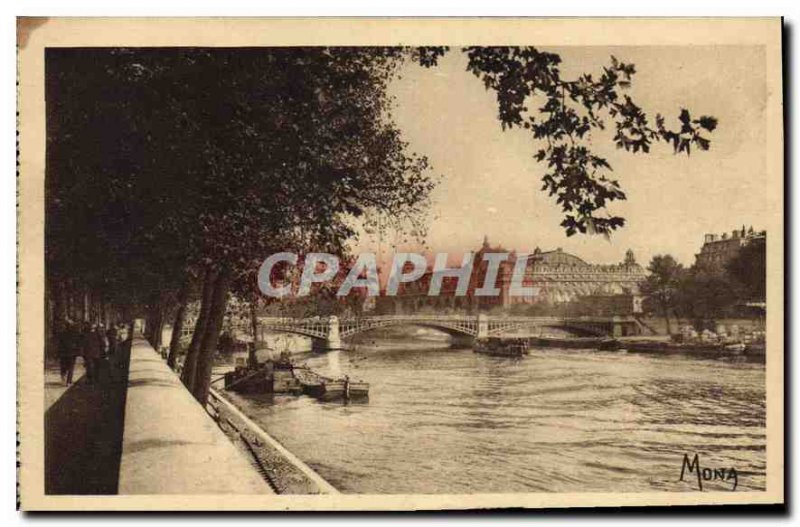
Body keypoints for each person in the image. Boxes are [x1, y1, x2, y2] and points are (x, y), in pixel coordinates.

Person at [57, 319, 78, 385]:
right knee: (71, 367)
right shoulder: (75, 333)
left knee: (63, 366)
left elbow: (59, 344)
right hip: (71, 353)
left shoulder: (62, 333)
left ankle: (64, 379)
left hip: (64, 353)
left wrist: (58, 353)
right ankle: (68, 381)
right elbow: (77, 343)